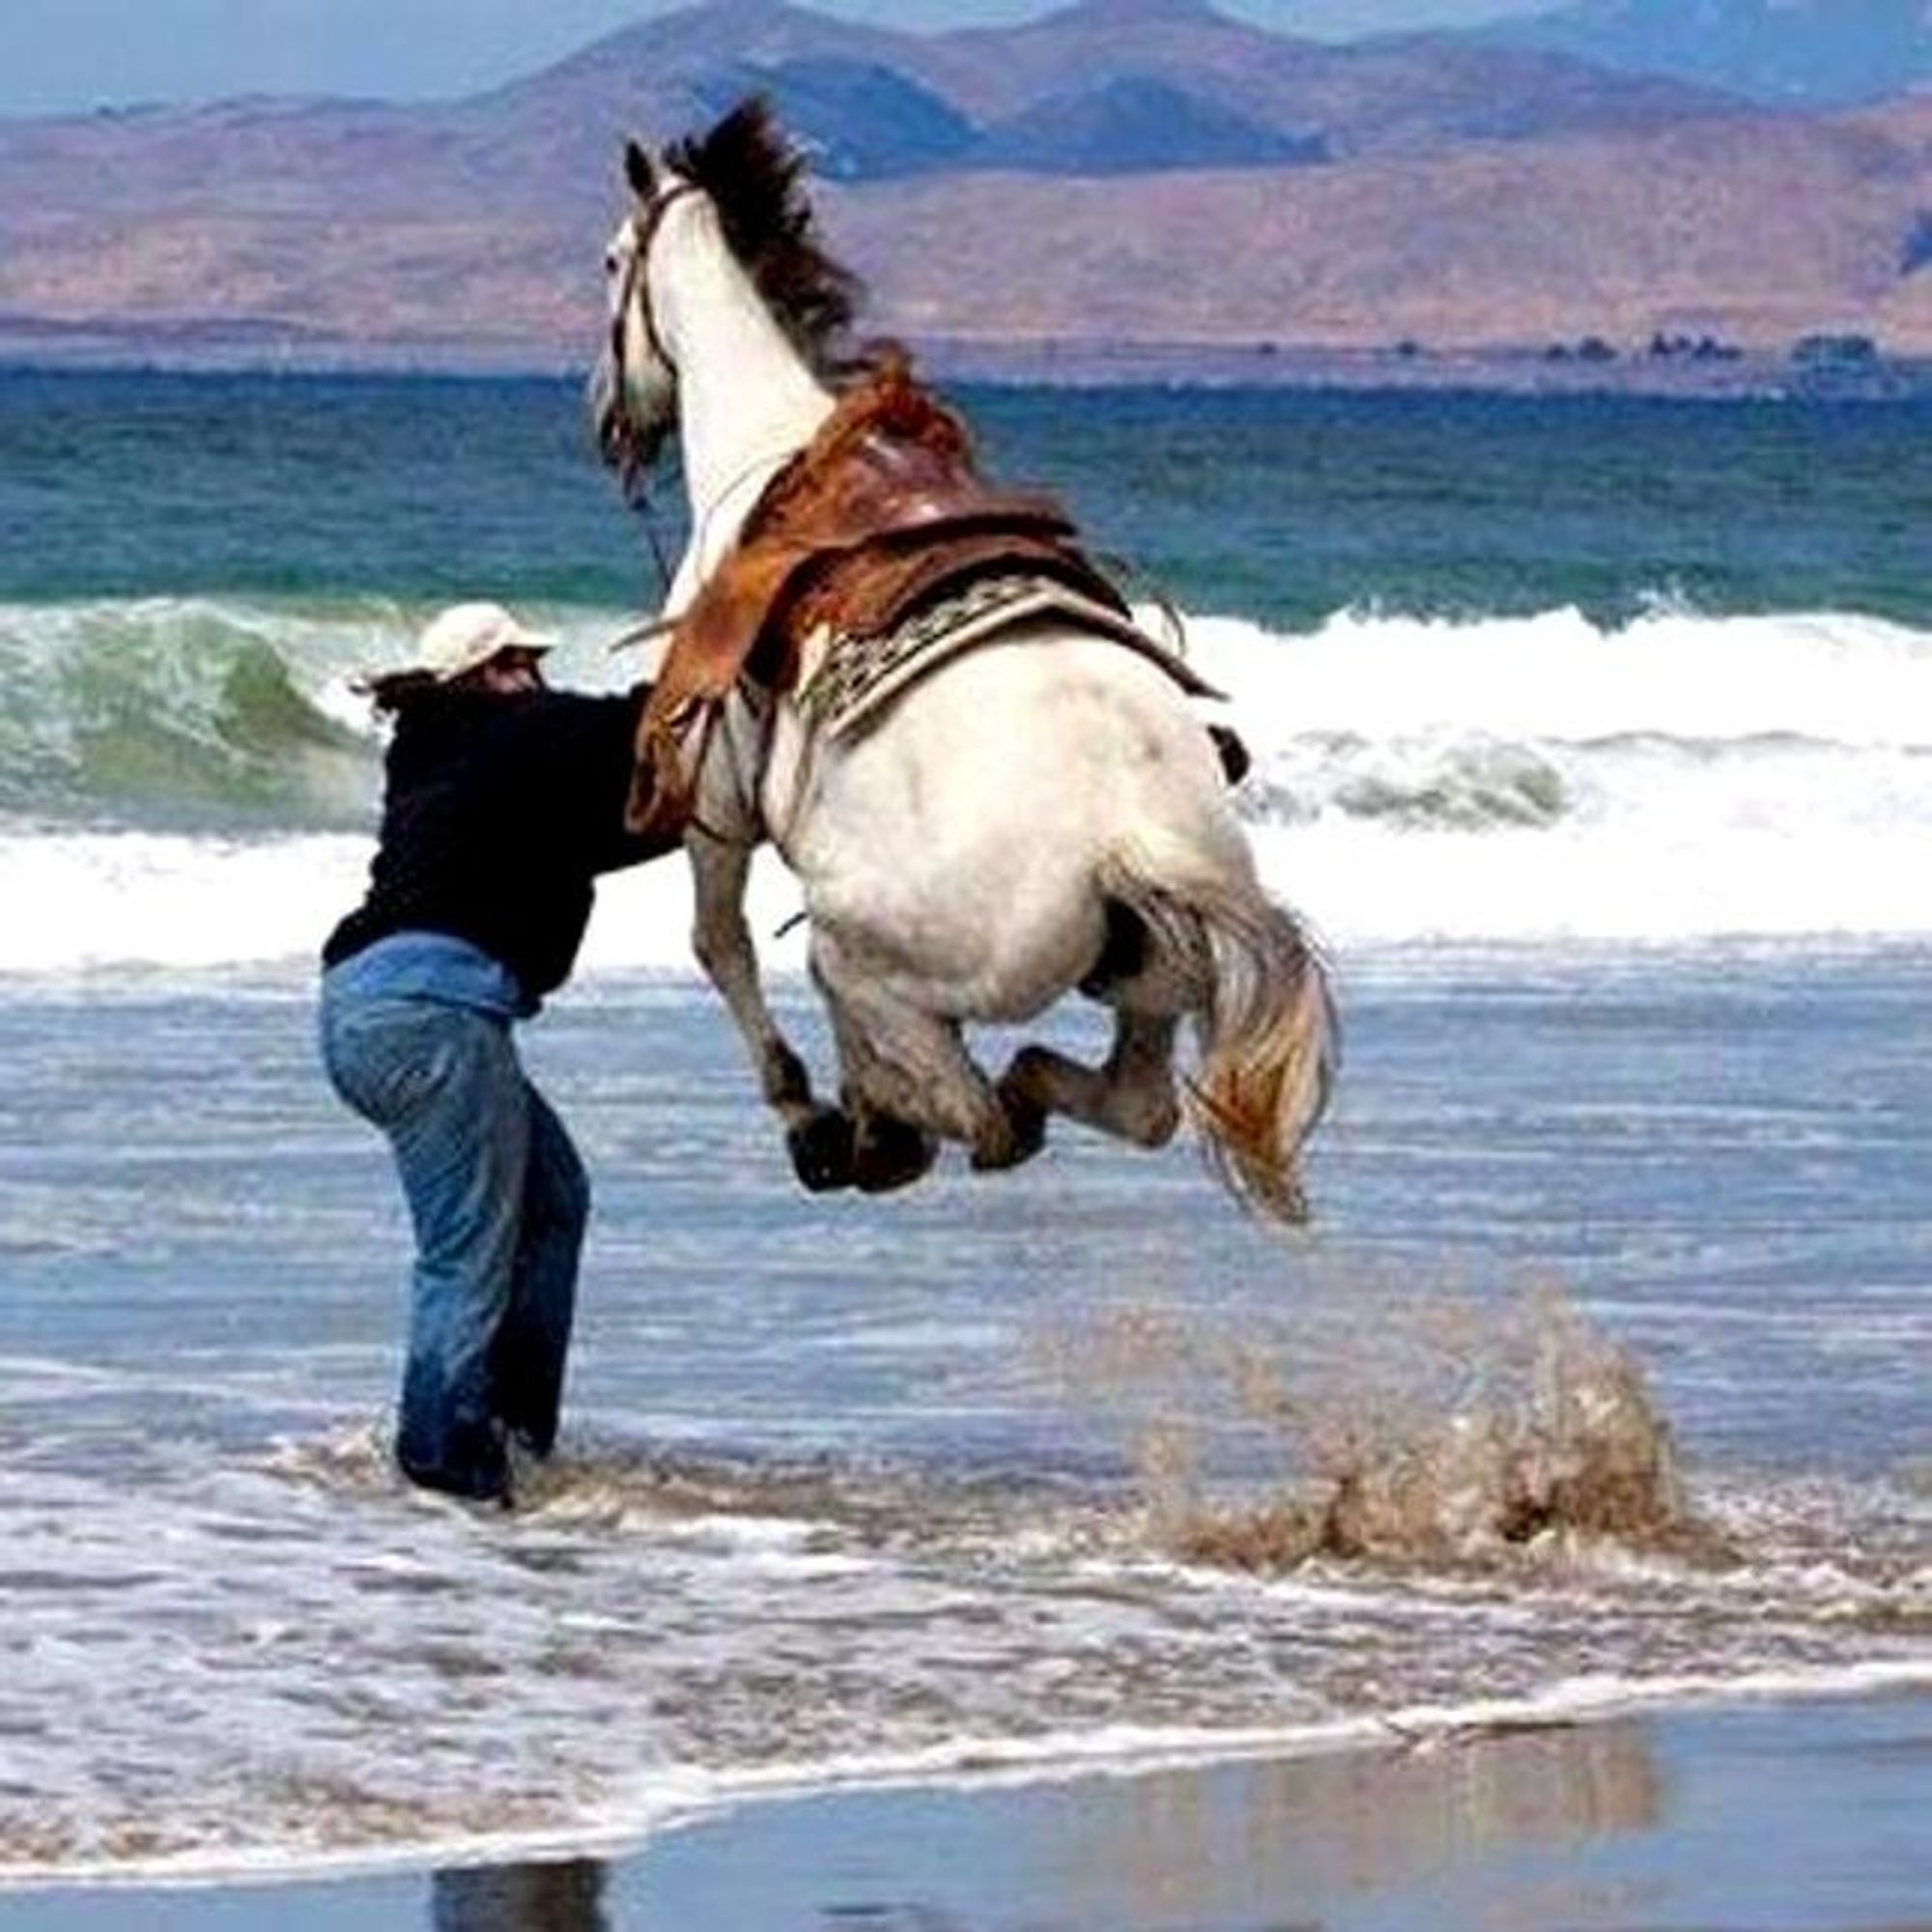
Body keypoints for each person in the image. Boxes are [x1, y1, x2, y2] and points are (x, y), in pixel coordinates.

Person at [320, 602, 672, 1505]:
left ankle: (512, 1437)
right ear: (475, 679)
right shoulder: (497, 733)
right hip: (430, 1015)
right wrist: (717, 650)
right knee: (467, 1249)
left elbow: (602, 831)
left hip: (390, 1012)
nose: (532, 679)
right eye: (514, 663)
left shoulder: (463, 759)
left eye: (533, 664)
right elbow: (626, 720)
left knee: (554, 1202)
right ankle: (446, 1466)